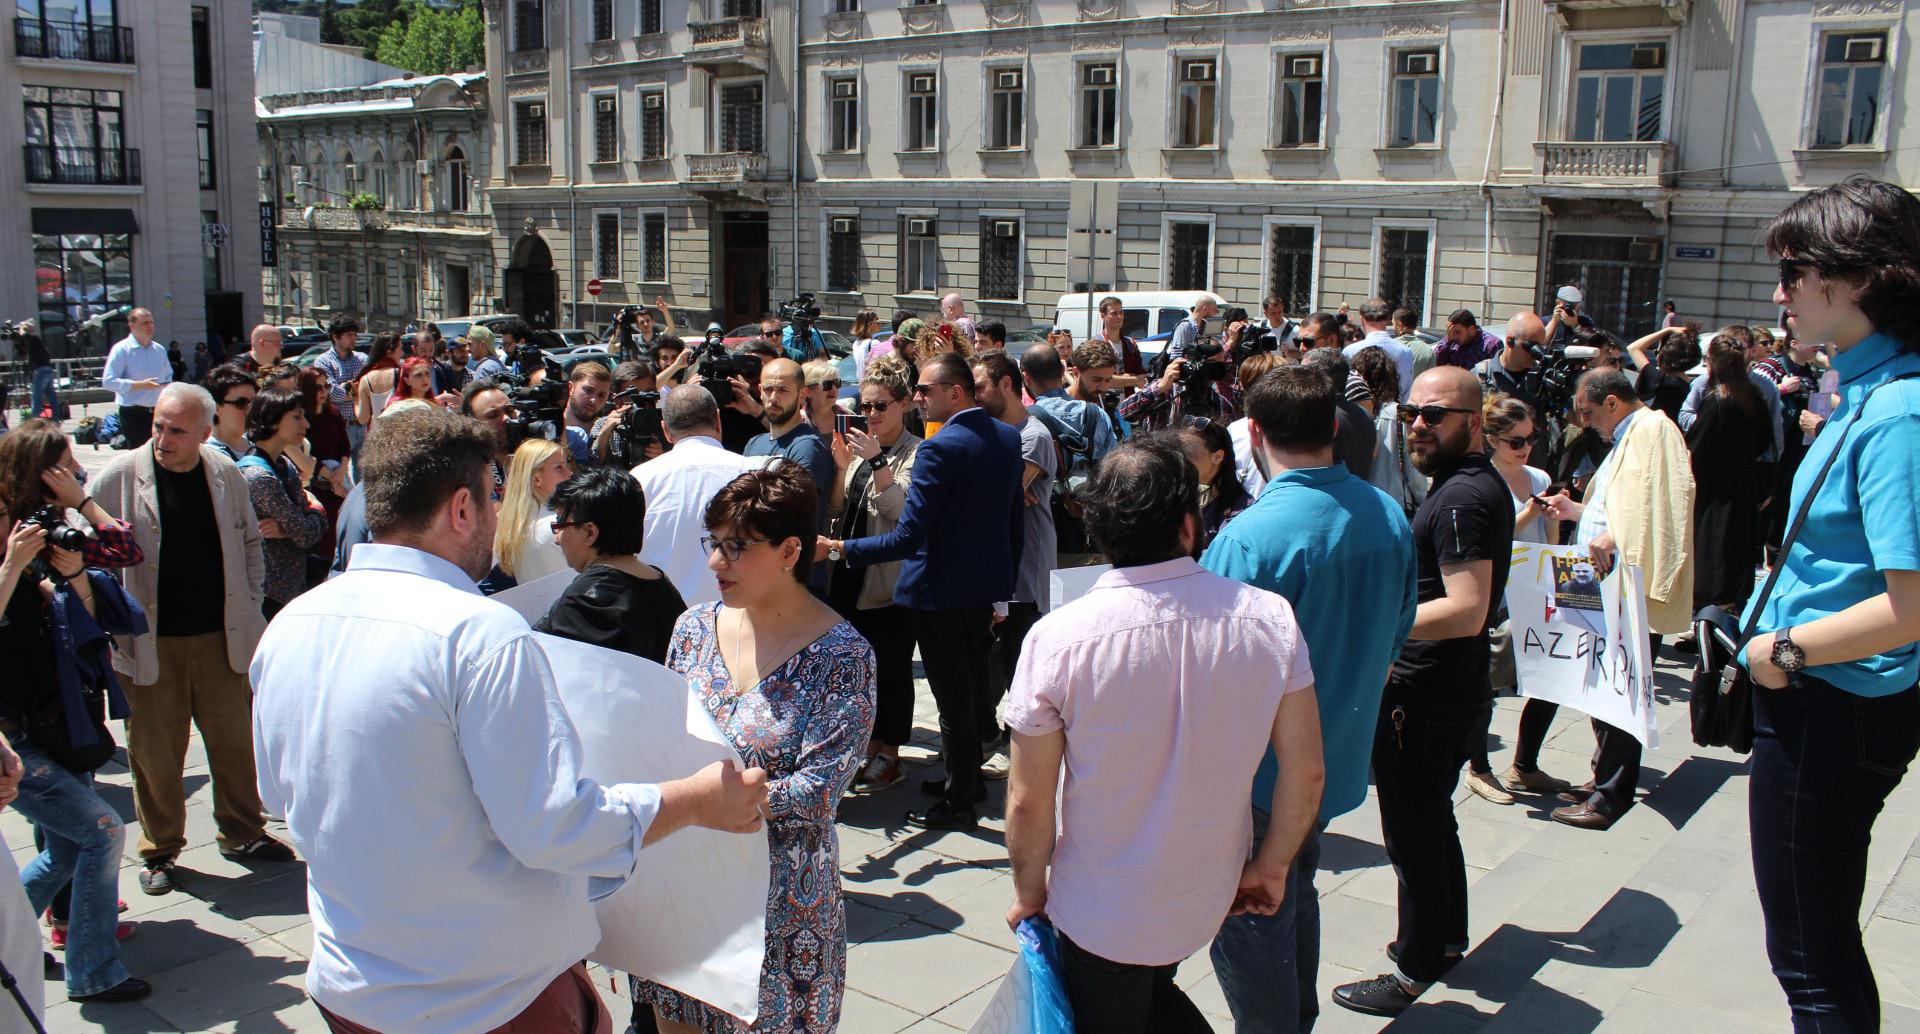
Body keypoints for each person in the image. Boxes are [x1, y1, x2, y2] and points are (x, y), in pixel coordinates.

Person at [251, 405, 769, 1034]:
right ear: (461, 508)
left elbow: (278, 796)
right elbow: (555, 827)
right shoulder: (479, 634)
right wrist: (696, 800)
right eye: (493, 498)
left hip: (352, 986)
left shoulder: (290, 624)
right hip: (486, 996)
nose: (500, 515)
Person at [1003, 433, 1324, 1034]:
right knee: (1151, 989)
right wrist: (1272, 865)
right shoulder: (1269, 618)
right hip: (1208, 889)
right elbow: (1306, 771)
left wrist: (1029, 890)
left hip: (1101, 908)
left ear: (1097, 530)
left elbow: (1027, 799)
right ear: (1188, 525)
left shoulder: (1058, 639)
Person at [1736, 176, 1920, 1034]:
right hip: (1831, 700)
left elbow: (1910, 608)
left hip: (1832, 705)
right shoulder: (1871, 391)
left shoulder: (1898, 411)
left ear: (1860, 277)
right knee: (1816, 948)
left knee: (1811, 959)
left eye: (1794, 272)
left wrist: (1784, 652)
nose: (1780, 295)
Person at [1203, 365, 1417, 1034]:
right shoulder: (1387, 513)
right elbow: (1399, 629)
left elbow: (1207, 674)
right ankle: (1297, 1018)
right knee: (1294, 889)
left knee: (1252, 913)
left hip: (1259, 777)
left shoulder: (1249, 538)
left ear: (1254, 432)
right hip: (1336, 759)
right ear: (1333, 428)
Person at [634, 465, 875, 1034]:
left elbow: (819, 793)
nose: (716, 563)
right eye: (714, 543)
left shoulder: (843, 655)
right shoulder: (692, 629)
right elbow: (663, 737)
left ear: (791, 551)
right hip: (686, 890)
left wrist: (710, 798)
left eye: (737, 547)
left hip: (782, 906)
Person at [1333, 367, 1513, 1017]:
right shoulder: (1467, 484)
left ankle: (1413, 970)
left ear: (1474, 422)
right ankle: (1444, 939)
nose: (1418, 425)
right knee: (1433, 823)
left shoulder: (1463, 496)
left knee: (1413, 834)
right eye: (1412, 413)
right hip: (1445, 689)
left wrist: (1377, 620)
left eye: (1435, 415)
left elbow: (1467, 608)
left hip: (1428, 695)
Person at [92, 383, 290, 897]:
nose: (163, 439)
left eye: (177, 431)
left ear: (204, 433)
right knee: (155, 754)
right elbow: (89, 556)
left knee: (234, 744)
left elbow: (250, 540)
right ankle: (159, 849)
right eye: (158, 426)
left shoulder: (223, 472)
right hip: (150, 643)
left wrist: (249, 599)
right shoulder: (120, 476)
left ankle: (242, 833)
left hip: (221, 637)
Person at [817, 352, 1024, 832]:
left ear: (956, 392)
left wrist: (841, 549)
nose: (918, 398)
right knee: (968, 692)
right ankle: (964, 780)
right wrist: (1003, 588)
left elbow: (908, 536)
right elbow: (1011, 522)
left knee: (953, 699)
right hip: (980, 589)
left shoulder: (937, 448)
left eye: (926, 391)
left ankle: (960, 801)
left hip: (938, 595)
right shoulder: (1006, 436)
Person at [0, 490, 149, 1003]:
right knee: (102, 831)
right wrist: (11, 566)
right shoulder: (12, 565)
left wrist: (72, 575)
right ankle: (93, 972)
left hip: (58, 727)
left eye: (5, 514)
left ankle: (7, 942)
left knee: (66, 847)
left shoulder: (27, 566)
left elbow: (90, 623)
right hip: (14, 740)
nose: (5, 525)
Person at [1538, 369, 1695, 831]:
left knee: (1620, 686)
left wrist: (1615, 536)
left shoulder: (1653, 429)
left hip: (1620, 583)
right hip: (1597, 578)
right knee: (1599, 685)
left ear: (1612, 402)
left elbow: (1664, 504)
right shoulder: (1632, 433)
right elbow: (1621, 507)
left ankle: (1611, 795)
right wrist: (1577, 512)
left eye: (1588, 412)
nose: (1584, 422)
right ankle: (1602, 777)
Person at [1463, 394, 1573, 806]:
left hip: (1537, 590)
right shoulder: (1481, 481)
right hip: (1498, 595)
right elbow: (1493, 537)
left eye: (1531, 437)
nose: (1525, 447)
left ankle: (1525, 764)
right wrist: (1530, 512)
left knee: (1551, 679)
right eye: (1516, 440)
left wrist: (1551, 521)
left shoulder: (1539, 478)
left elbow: (1548, 540)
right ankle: (1478, 768)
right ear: (1492, 439)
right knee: (1486, 684)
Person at [824, 367, 923, 794]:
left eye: (881, 405)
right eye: (865, 406)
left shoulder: (916, 452)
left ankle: (890, 753)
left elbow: (900, 510)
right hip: (848, 573)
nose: (872, 414)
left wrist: (877, 461)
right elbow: (836, 508)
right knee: (859, 670)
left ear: (904, 404)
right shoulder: (859, 449)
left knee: (893, 669)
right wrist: (840, 468)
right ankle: (867, 745)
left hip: (887, 582)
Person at [972, 352, 1056, 777]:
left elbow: (999, 495)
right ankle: (986, 737)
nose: (974, 395)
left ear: (1006, 384)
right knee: (989, 660)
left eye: (980, 387)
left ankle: (1017, 746)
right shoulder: (990, 433)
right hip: (996, 564)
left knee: (1018, 661)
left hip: (1025, 568)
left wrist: (995, 490)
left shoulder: (1033, 435)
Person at [532, 467, 685, 663]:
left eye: (560, 524)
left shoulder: (584, 601)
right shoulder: (661, 584)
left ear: (590, 532)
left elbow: (537, 661)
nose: (556, 538)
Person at [635, 387, 767, 606]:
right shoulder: (756, 473)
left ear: (666, 430)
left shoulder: (638, 479)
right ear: (718, 420)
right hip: (740, 615)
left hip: (662, 617)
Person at [1687, 332, 1776, 613]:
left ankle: (1711, 616)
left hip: (1713, 491)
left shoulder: (1717, 401)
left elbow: (1696, 447)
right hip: (1744, 486)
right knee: (1736, 553)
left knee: (1712, 553)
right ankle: (1729, 609)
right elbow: (1765, 442)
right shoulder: (1754, 397)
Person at [237, 388, 329, 618]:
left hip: (292, 589)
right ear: (272, 421)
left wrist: (288, 528)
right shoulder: (259, 477)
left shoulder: (285, 465)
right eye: (297, 417)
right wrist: (317, 509)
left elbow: (303, 527)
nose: (306, 424)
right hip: (269, 597)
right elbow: (305, 533)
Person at [745, 359, 838, 536]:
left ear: (802, 394)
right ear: (759, 391)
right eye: (768, 389)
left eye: (783, 390)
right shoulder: (754, 443)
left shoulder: (808, 446)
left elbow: (793, 512)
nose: (773, 397)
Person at [494, 438, 573, 588]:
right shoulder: (555, 527)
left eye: (566, 465)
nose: (570, 473)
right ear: (537, 479)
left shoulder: (509, 525)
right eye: (559, 467)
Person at [1024, 344, 1118, 463]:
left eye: (1108, 380)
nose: (1103, 387)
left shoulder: (1100, 412)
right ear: (1075, 372)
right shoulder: (1099, 415)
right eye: (1096, 380)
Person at [1302, 347, 1380, 479]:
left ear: (1317, 378)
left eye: (1301, 373)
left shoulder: (1320, 416)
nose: (1296, 378)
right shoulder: (1364, 414)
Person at [101, 307, 169, 447]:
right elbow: (108, 382)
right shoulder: (121, 350)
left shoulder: (159, 350)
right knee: (140, 455)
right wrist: (139, 385)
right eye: (144, 323)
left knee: (161, 453)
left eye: (151, 322)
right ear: (132, 326)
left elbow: (168, 377)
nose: (150, 326)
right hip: (133, 413)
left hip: (158, 412)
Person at [1181, 418, 1248, 545]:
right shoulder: (1172, 501)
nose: (1180, 459)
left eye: (1188, 452)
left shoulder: (1241, 516)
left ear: (1218, 457)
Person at [1342, 298, 1414, 401]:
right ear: (1388, 319)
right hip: (1395, 408)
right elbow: (1407, 392)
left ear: (1362, 319)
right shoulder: (1406, 352)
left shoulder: (1350, 351)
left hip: (1360, 409)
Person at [1627, 326, 1702, 424]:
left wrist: (1667, 330)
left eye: (1656, 352)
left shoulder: (1659, 379)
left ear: (1664, 355)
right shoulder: (1693, 387)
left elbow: (1633, 348)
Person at [313, 317, 367, 449]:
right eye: (349, 335)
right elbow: (332, 393)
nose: (353, 339)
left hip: (363, 426)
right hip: (341, 427)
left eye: (355, 335)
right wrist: (358, 392)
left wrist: (347, 388)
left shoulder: (362, 358)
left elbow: (369, 389)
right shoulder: (323, 361)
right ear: (335, 336)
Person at [561, 362, 612, 465]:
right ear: (570, 388)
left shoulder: (610, 432)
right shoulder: (549, 428)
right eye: (588, 390)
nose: (594, 400)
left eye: (601, 395)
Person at [1096, 295, 1148, 388]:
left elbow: (1142, 377)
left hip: (1129, 396)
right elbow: (1103, 379)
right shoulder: (1097, 344)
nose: (1119, 316)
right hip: (1106, 396)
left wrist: (1123, 379)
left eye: (1121, 312)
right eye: (1114, 313)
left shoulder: (1130, 344)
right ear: (1103, 316)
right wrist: (1133, 380)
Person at [354, 333, 403, 429]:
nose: (402, 353)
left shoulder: (365, 379)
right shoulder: (403, 374)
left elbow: (363, 418)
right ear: (389, 352)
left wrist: (356, 399)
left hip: (378, 434)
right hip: (401, 432)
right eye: (400, 349)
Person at [1437, 309, 1503, 370]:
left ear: (1472, 329)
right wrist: (1448, 340)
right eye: (1451, 332)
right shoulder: (1451, 342)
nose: (1454, 336)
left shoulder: (1491, 345)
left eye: (1457, 332)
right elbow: (1436, 363)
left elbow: (1498, 372)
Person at [1166, 293, 1222, 363]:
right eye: (1214, 310)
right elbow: (1176, 356)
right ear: (1205, 309)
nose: (1215, 314)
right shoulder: (1185, 326)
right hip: (1185, 368)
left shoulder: (1202, 327)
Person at [23, 320, 57, 421]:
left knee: (36, 398)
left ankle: (34, 421)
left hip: (40, 371)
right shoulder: (38, 341)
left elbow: (24, 336)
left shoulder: (33, 338)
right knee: (51, 396)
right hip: (48, 369)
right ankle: (56, 419)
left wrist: (21, 328)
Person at [802, 357, 842, 432]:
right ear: (808, 392)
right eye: (827, 384)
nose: (834, 388)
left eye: (836, 382)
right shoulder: (798, 423)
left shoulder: (848, 416)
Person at [848, 309, 883, 382]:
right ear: (869, 324)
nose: (880, 322)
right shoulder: (873, 343)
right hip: (872, 382)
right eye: (876, 320)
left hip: (862, 383)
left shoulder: (856, 343)